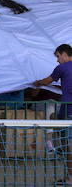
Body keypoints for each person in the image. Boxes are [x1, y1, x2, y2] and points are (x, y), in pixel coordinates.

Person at [33, 44, 72, 185]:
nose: (57, 60)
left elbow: (48, 80)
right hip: (66, 109)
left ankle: (70, 177)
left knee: (68, 145)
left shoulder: (62, 67)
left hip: (68, 110)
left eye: (57, 56)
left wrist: (37, 83)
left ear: (64, 54)